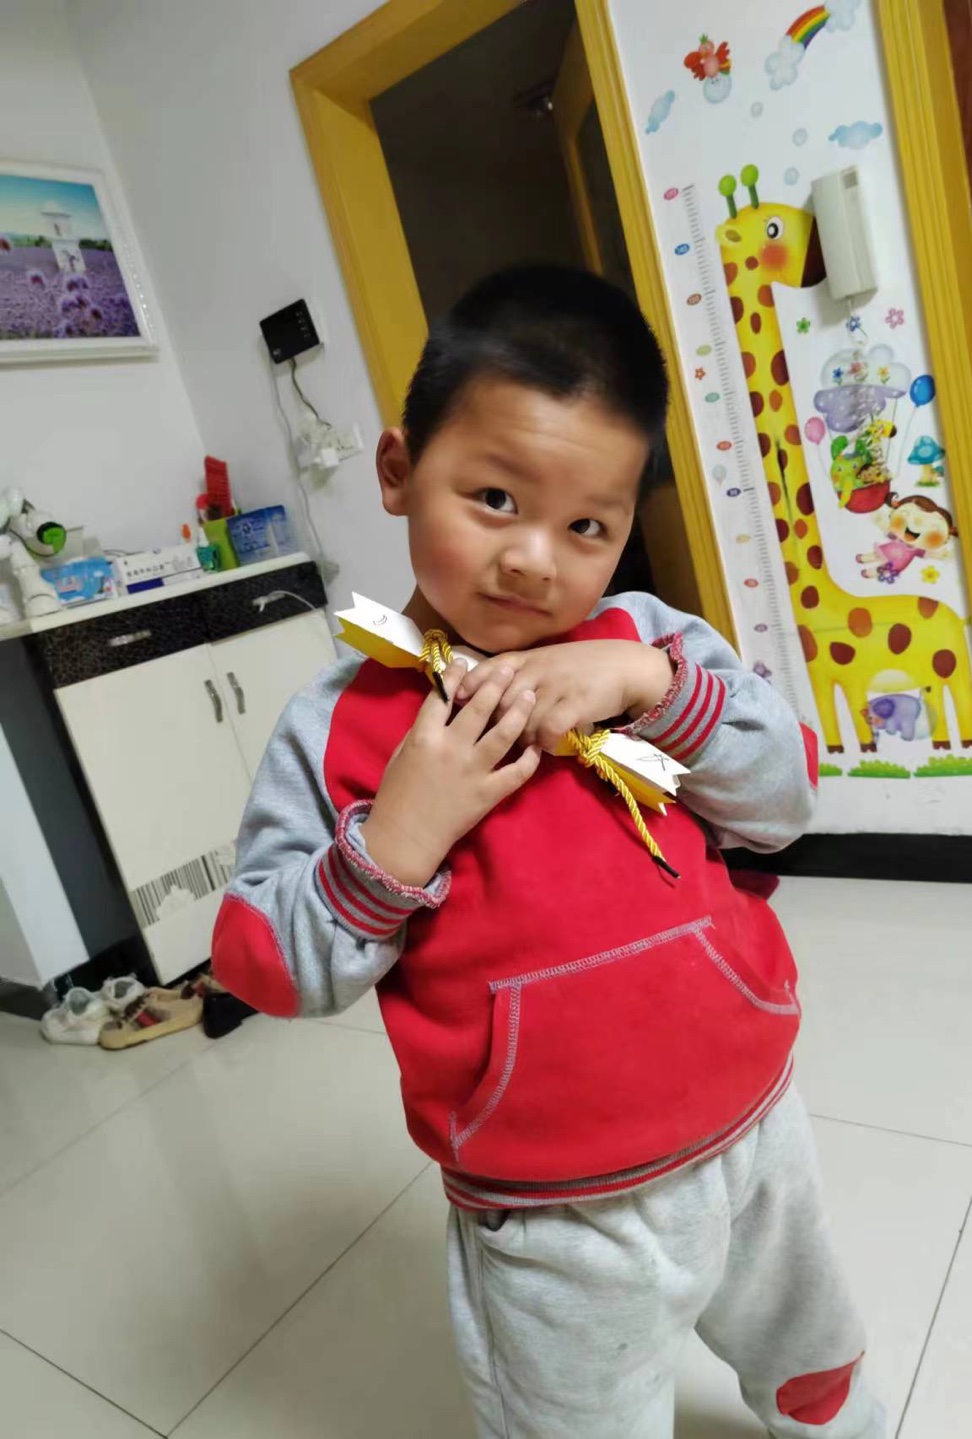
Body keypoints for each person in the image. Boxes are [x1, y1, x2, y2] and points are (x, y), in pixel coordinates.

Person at [212, 265, 883, 1439]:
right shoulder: (339, 727)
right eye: (493, 497)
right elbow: (265, 963)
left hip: (757, 1127)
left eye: (588, 527)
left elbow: (783, 799)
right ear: (396, 470)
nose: (535, 559)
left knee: (811, 1356)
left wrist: (650, 683)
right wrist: (397, 836)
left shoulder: (648, 643)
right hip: (552, 1201)